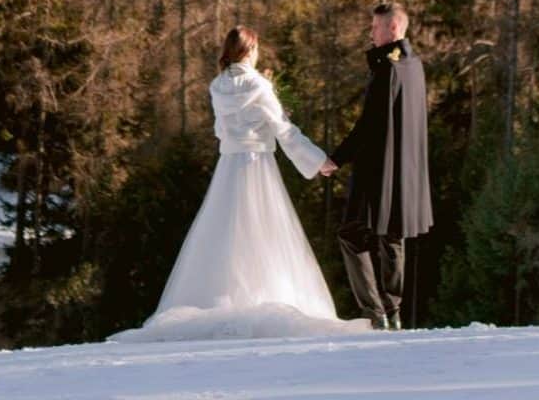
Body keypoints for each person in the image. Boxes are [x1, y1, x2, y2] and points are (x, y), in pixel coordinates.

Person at [109, 26, 369, 342]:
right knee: (265, 233)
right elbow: (284, 130)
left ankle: (225, 299)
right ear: (250, 50)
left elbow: (221, 131)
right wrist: (317, 161)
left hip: (228, 167)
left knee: (225, 234)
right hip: (257, 166)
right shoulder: (260, 85)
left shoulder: (217, 86)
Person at [331, 1, 432, 330]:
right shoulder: (414, 65)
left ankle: (375, 313)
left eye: (375, 27)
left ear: (392, 29)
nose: (370, 32)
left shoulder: (387, 70)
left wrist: (336, 158)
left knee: (351, 234)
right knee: (392, 236)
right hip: (407, 170)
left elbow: (368, 126)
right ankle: (394, 312)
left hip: (380, 169)